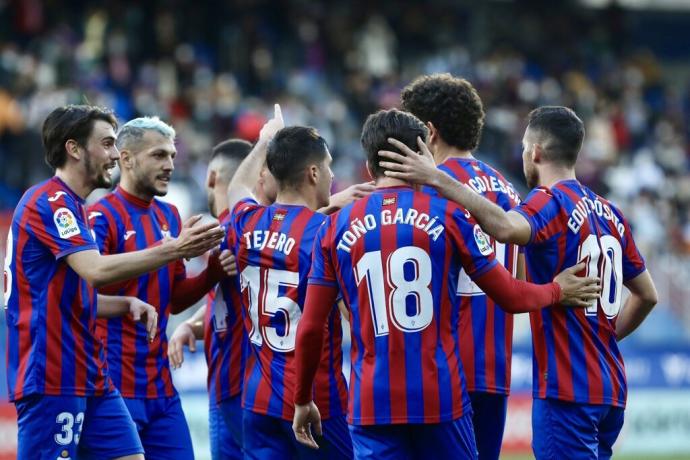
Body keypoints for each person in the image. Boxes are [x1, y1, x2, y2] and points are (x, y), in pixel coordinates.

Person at [291, 108, 600, 460]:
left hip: (372, 400)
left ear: (369, 162)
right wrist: (557, 289)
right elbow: (510, 295)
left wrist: (302, 399)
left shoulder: (335, 227)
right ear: (422, 153)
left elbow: (311, 326)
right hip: (439, 397)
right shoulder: (448, 215)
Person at [378, 106, 659, 459]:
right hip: (611, 388)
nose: (523, 155)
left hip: (567, 387)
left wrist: (438, 179)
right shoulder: (611, 213)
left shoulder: (550, 201)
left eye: (525, 148)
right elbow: (647, 295)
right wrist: (604, 335)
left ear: (536, 152)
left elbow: (507, 228)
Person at [3, 105, 224, 459]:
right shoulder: (52, 202)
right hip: (53, 373)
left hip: (92, 373)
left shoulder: (75, 207)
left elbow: (73, 294)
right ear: (74, 148)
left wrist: (125, 303)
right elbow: (96, 271)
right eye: (106, 144)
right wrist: (174, 249)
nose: (113, 155)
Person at [87, 116, 229, 459]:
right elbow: (90, 287)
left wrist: (212, 271)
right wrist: (171, 250)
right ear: (127, 159)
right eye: (158, 155)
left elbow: (175, 299)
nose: (169, 165)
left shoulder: (169, 216)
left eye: (172, 156)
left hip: (160, 386)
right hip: (113, 384)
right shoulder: (101, 216)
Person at [401, 73, 522, 460]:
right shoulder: (507, 189)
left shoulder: (425, 190)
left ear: (429, 132)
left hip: (438, 372)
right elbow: (516, 278)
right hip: (494, 368)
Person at [225, 105, 353, 460]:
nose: (332, 177)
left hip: (259, 399)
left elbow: (236, 188)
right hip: (315, 400)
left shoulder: (246, 223)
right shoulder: (326, 234)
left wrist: (265, 139)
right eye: (328, 168)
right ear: (313, 172)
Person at [168, 138, 266, 460]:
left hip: (241, 386)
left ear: (211, 178)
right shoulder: (238, 231)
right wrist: (193, 326)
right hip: (231, 386)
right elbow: (228, 301)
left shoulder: (232, 231)